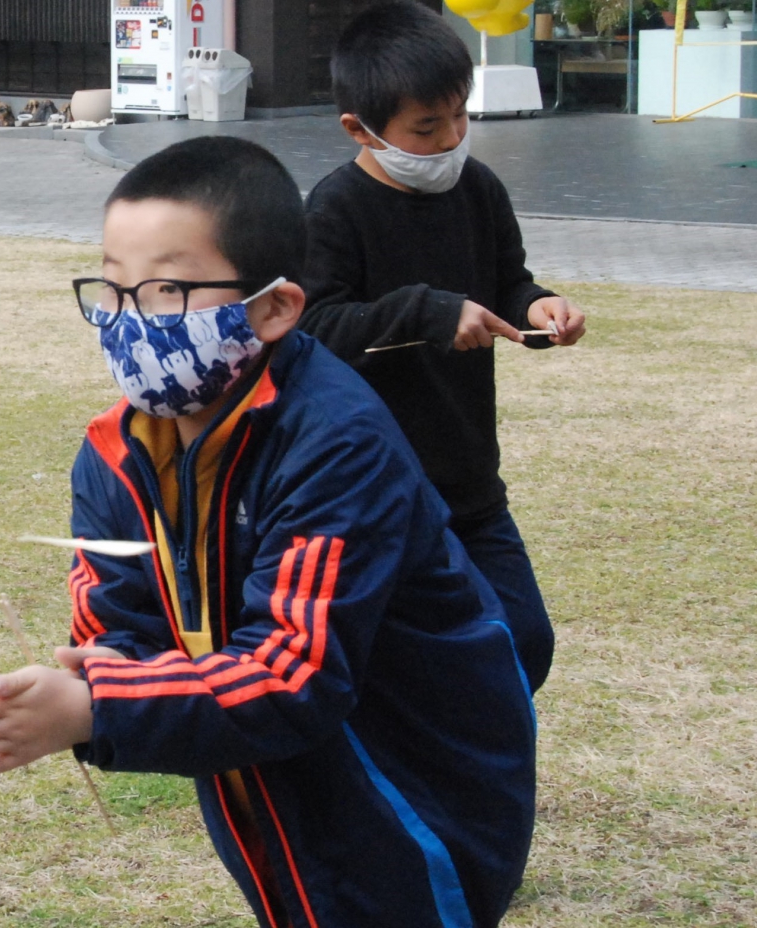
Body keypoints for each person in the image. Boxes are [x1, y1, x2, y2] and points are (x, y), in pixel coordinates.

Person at [0, 136, 537, 928]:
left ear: (276, 307)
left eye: (166, 292)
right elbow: (119, 620)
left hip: (413, 784)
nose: (126, 321)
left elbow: (297, 676)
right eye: (112, 290)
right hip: (264, 778)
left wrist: (96, 708)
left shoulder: (335, 443)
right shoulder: (115, 454)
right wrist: (101, 669)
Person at [298, 1, 587, 694]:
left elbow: (506, 281)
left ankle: (472, 777)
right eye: (427, 128)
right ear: (359, 129)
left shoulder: (478, 189)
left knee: (524, 640)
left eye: (459, 116)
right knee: (397, 662)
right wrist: (427, 312)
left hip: (468, 477)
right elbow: (313, 328)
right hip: (374, 488)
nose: (452, 138)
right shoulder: (335, 210)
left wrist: (537, 306)